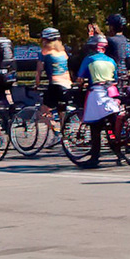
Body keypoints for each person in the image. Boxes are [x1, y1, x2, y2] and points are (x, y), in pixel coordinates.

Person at [77, 33, 119, 168]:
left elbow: (81, 77)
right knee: (112, 126)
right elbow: (115, 78)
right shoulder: (111, 61)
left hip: (97, 93)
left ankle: (95, 158)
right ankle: (119, 155)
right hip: (112, 94)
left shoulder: (89, 60)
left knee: (95, 127)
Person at [36, 28, 72, 128]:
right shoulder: (63, 52)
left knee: (43, 109)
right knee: (62, 110)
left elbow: (39, 71)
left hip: (55, 85)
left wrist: (37, 84)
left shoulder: (44, 53)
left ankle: (54, 128)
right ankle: (64, 133)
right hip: (67, 85)